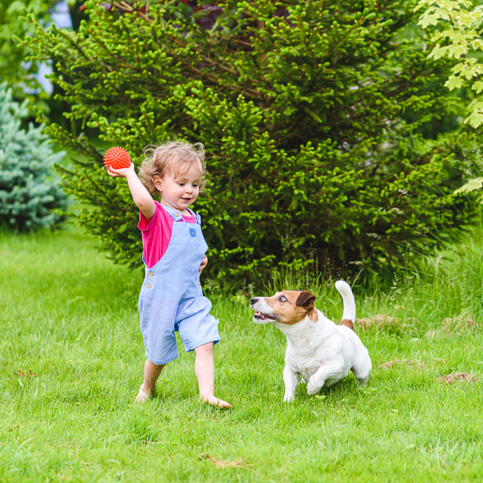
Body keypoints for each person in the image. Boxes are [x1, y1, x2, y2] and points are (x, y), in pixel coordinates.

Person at [108, 141, 231, 408]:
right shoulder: (158, 216)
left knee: (205, 341)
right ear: (159, 183)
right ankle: (147, 386)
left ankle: (206, 394)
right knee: (159, 355)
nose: (189, 190)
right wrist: (129, 173)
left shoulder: (192, 218)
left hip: (190, 296)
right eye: (182, 183)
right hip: (161, 298)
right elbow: (142, 200)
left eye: (195, 184)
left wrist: (201, 261)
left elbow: (191, 253)